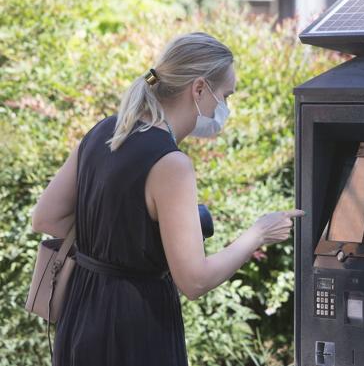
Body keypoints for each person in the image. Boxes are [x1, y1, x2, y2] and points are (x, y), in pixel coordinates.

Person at [30, 31, 305, 366]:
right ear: (199, 88)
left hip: (80, 313)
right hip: (135, 325)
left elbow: (45, 218)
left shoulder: (106, 131)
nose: (226, 107)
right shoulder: (172, 164)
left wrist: (123, 235)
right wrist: (258, 234)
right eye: (225, 95)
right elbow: (195, 280)